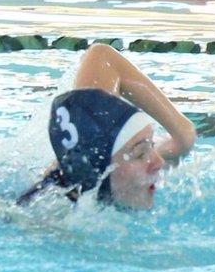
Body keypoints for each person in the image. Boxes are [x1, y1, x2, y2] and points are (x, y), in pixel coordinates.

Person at [18, 43, 197, 211]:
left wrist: (185, 136)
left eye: (150, 146)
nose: (159, 162)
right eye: (141, 154)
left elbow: (102, 57)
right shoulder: (45, 220)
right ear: (97, 171)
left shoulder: (96, 160)